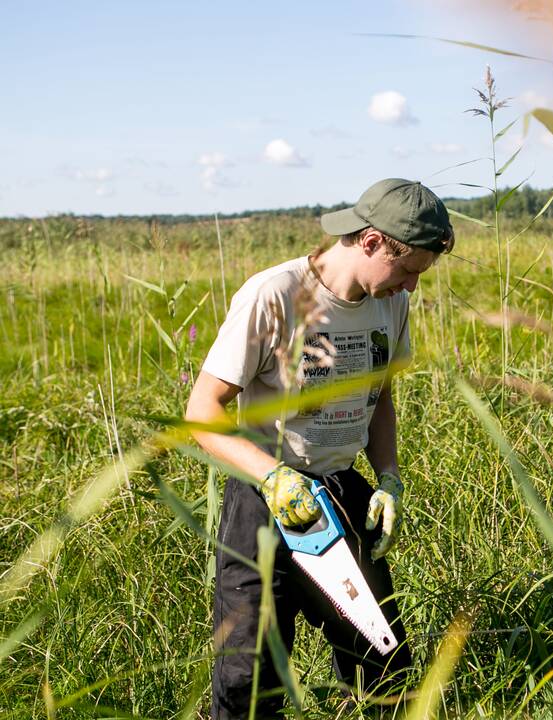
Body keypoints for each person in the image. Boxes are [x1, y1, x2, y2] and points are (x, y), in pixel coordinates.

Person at [185, 178, 454, 718]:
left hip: (340, 494)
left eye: (419, 276)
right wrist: (273, 478)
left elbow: (381, 398)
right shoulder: (275, 295)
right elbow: (203, 410)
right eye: (406, 271)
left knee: (384, 663)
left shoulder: (389, 305)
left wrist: (389, 478)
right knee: (249, 678)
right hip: (264, 500)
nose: (410, 288)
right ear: (373, 242)